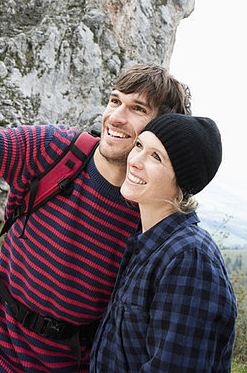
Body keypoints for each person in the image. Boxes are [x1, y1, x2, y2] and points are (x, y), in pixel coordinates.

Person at [0, 0, 191, 373]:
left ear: (162, 129)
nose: (116, 117)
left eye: (138, 109)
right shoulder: (55, 151)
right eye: (114, 101)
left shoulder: (152, 214)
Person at [90, 113, 237, 372]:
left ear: (181, 181)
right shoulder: (147, 243)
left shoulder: (189, 260)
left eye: (155, 156)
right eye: (139, 146)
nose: (134, 161)